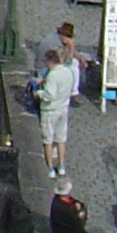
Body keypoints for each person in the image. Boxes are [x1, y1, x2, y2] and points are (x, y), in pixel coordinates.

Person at [40, 47, 78, 178]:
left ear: (50, 62)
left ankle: (50, 168)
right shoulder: (67, 72)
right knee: (61, 138)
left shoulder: (52, 75)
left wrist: (39, 93)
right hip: (63, 108)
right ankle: (61, 165)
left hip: (51, 110)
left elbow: (49, 95)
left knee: (48, 139)